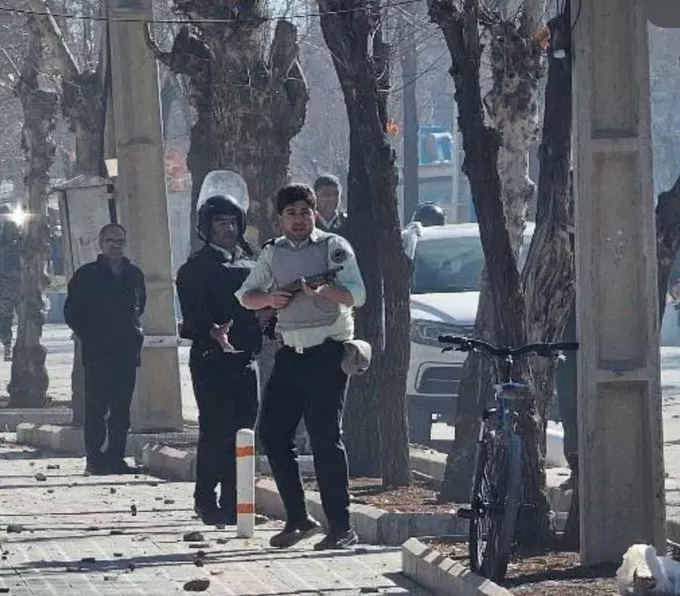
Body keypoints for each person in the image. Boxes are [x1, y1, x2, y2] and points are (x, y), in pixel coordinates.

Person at [237, 183, 366, 550]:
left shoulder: (333, 247)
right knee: (273, 434)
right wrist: (270, 298)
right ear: (279, 219)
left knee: (325, 438)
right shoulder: (273, 253)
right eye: (291, 213)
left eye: (305, 213)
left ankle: (341, 527)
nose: (298, 220)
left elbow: (358, 295)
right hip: (291, 354)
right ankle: (298, 518)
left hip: (328, 354)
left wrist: (322, 291)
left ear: (315, 214)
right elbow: (246, 296)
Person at [176, 194, 264, 526]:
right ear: (207, 227)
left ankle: (235, 503)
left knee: (244, 432)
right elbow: (192, 317)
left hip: (246, 360)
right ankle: (205, 499)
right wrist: (212, 332)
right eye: (220, 222)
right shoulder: (194, 269)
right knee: (216, 431)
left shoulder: (253, 265)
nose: (227, 228)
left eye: (232, 222)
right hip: (211, 361)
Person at [64, 223, 146, 475]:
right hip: (98, 352)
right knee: (97, 408)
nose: (115, 245)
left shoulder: (133, 275)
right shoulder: (86, 275)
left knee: (121, 409)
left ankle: (116, 458)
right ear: (100, 244)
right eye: (110, 240)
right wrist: (91, 334)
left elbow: (139, 306)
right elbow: (72, 312)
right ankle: (95, 458)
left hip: (126, 352)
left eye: (120, 241)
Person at [0, 204, 22, 362]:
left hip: (14, 283)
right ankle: (7, 346)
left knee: (8, 316)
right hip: (9, 283)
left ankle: (9, 346)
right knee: (6, 317)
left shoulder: (17, 238)